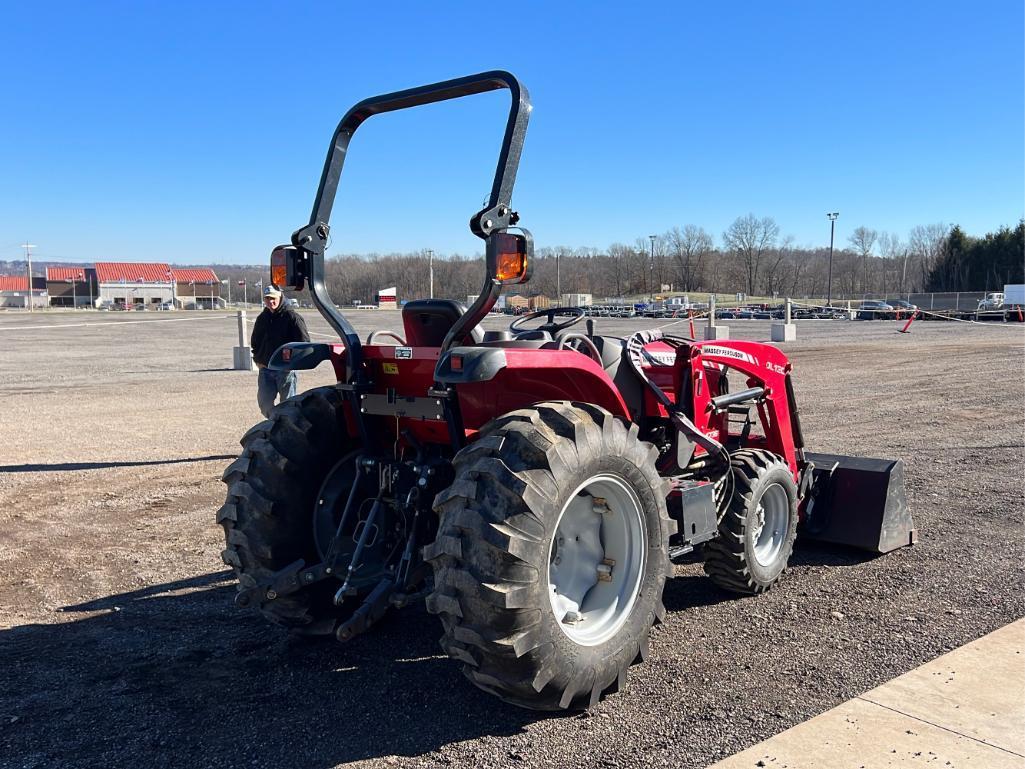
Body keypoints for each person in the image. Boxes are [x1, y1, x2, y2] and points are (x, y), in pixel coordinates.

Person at [251, 284, 310, 417]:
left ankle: (287, 426)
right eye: (267, 298)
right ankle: (275, 422)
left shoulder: (292, 317)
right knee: (264, 403)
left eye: (273, 298)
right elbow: (255, 341)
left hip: (285, 370)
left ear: (280, 297)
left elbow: (304, 343)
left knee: (288, 404)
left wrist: (292, 362)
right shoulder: (262, 318)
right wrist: (257, 359)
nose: (270, 301)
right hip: (266, 368)